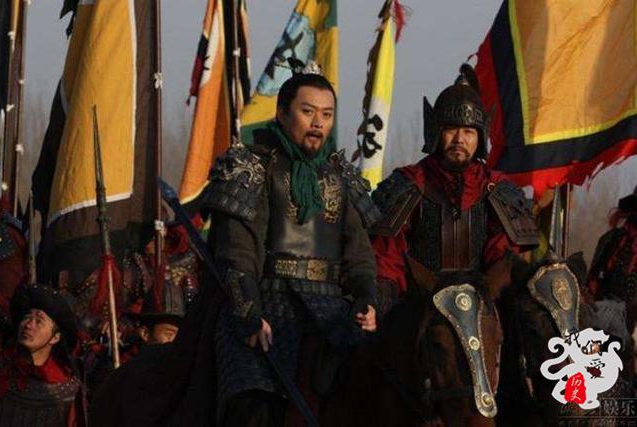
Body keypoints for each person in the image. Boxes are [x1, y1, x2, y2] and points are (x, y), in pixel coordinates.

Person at [206, 59, 381, 426]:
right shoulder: (252, 167)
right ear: (283, 114)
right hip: (267, 305)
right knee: (253, 405)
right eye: (308, 111)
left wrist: (366, 299)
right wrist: (249, 314)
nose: (318, 123)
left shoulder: (341, 176)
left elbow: (360, 257)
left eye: (327, 114)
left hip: (332, 312)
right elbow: (238, 254)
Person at [371, 64, 539, 313]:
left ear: (480, 137)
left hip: (481, 310)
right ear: (437, 132)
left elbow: (503, 263)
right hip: (418, 310)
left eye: (468, 131)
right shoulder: (409, 183)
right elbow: (387, 260)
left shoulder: (498, 190)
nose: (460, 139)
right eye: (451, 129)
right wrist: (382, 308)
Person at [0, 283, 85, 426]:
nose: (28, 325)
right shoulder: (2, 368)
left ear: (55, 338)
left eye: (39, 321)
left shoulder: (67, 391)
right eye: (27, 317)